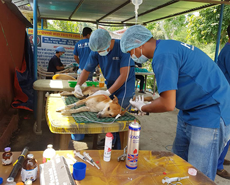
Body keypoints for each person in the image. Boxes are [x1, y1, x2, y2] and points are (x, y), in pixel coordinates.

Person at [120, 25, 230, 181]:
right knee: (178, 163)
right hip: (190, 109)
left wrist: (143, 107)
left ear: (139, 44)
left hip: (210, 110)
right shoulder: (166, 48)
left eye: (130, 51)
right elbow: (169, 92)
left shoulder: (163, 55)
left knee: (199, 174)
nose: (131, 56)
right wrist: (148, 102)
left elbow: (168, 104)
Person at [74, 29, 136, 149]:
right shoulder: (97, 50)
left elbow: (124, 75)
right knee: (108, 114)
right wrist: (78, 85)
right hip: (110, 84)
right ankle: (110, 139)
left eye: (101, 50)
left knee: (119, 117)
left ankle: (120, 147)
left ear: (110, 41)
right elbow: (86, 70)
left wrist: (108, 92)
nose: (100, 52)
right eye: (98, 51)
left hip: (125, 87)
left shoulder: (123, 48)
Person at [216, 24, 230, 179]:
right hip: (226, 98)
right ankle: (218, 165)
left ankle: (219, 158)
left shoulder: (226, 49)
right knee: (225, 132)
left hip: (224, 96)